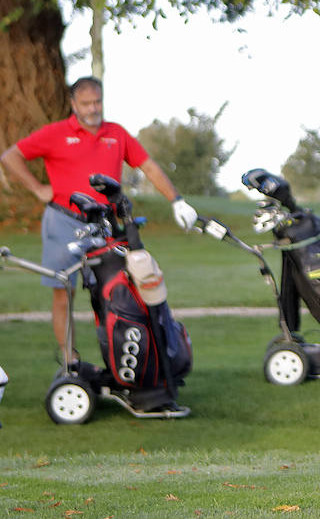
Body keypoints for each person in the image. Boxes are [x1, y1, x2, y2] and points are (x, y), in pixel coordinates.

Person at [1, 76, 198, 354]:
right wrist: (37, 189)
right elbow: (10, 156)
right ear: (73, 104)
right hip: (63, 221)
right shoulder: (55, 133)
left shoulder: (116, 133)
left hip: (105, 226)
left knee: (115, 291)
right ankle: (69, 360)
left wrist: (177, 200)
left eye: (97, 102)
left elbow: (149, 167)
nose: (93, 108)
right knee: (63, 294)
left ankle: (123, 356)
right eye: (86, 103)